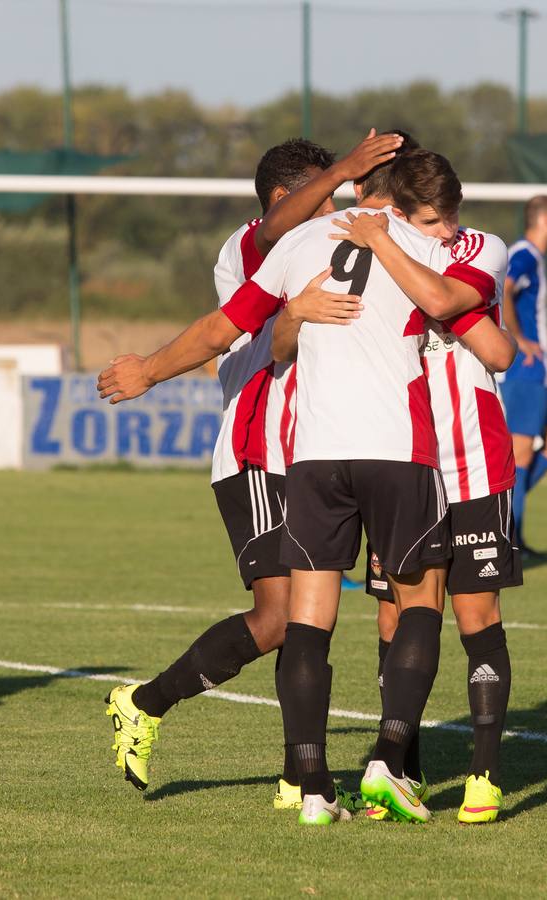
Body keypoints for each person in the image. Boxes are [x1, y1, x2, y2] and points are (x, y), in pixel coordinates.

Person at [93, 132, 402, 802]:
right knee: (279, 613)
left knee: (308, 620)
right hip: (257, 447)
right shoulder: (253, 244)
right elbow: (228, 315)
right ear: (286, 197)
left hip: (318, 449)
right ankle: (144, 703)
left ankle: (300, 775)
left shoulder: (331, 249)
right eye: (323, 191)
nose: (334, 204)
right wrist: (349, 168)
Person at [305, 224, 517, 825]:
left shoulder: (473, 248)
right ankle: (401, 771)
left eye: (422, 219)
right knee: (394, 613)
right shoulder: (365, 258)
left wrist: (398, 256)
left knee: (476, 613)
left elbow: (493, 345)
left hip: (473, 460)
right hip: (403, 462)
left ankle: (484, 776)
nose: (418, 229)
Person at [498, 195, 547, 554]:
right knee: (521, 454)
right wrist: (520, 339)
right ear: (545, 221)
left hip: (538, 372)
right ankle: (509, 537)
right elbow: (504, 291)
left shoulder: (534, 257)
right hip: (524, 370)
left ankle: (509, 513)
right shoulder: (523, 254)